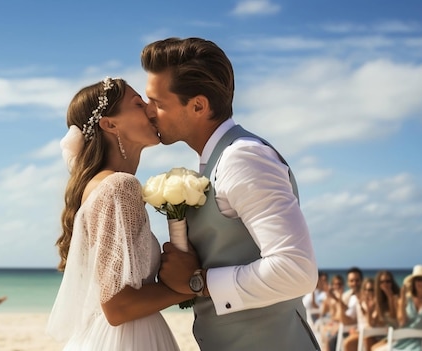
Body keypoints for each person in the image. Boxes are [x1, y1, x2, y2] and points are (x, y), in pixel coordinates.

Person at [141, 37, 319, 350]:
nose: (148, 111)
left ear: (198, 105)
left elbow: (296, 270)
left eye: (158, 102)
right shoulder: (214, 161)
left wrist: (200, 281)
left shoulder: (243, 158)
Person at [46, 77, 194, 350]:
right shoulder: (118, 186)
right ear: (110, 124)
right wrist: (191, 286)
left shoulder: (100, 186)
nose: (151, 109)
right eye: (138, 103)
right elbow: (117, 306)